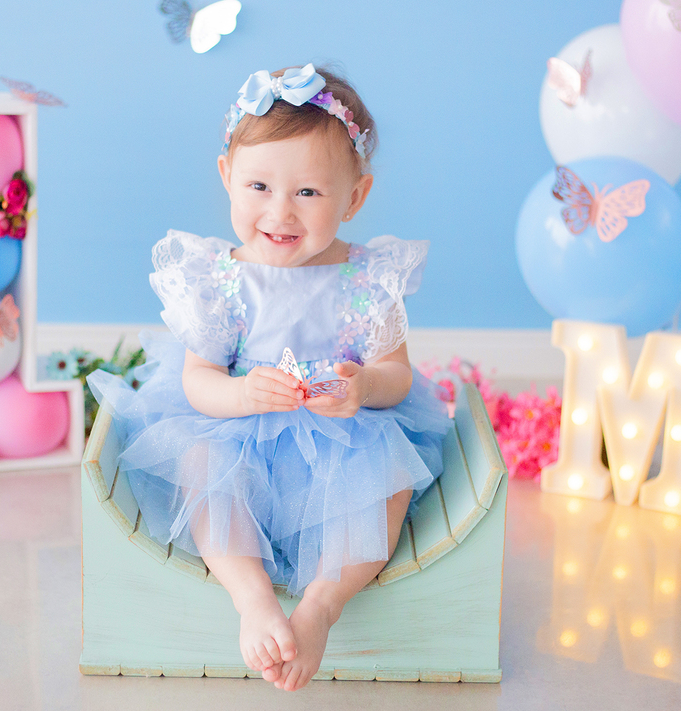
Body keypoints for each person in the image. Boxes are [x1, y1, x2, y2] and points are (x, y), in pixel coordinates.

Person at [89, 63, 449, 691]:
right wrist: (240, 393)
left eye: (309, 193)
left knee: (384, 487)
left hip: (342, 436)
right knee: (203, 468)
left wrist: (364, 389)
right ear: (227, 176)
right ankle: (251, 594)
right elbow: (199, 379)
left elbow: (396, 372)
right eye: (259, 185)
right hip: (241, 432)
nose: (280, 212)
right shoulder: (220, 279)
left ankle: (321, 606)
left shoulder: (368, 281)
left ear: (354, 197)